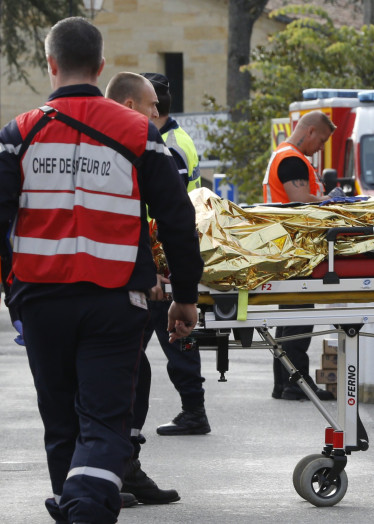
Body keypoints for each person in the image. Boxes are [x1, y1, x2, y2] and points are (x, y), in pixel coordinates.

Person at [0, 17, 203, 524]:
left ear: (50, 65)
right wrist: (185, 295)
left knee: (60, 417)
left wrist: (12, 293)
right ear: (101, 66)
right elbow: (178, 219)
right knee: (105, 419)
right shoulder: (139, 133)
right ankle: (86, 507)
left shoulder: (18, 134)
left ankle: (72, 504)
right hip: (115, 301)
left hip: (41, 300)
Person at [104, 71, 186, 506]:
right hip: (105, 285)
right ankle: (104, 479)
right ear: (132, 106)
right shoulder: (128, 143)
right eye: (153, 105)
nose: (160, 113)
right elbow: (134, 219)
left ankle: (121, 469)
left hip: (89, 284)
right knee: (116, 379)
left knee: (134, 373)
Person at [134, 72, 210, 437]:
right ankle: (193, 409)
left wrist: (165, 270)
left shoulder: (168, 145)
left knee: (173, 333)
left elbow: (171, 210)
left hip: (162, 258)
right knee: (174, 335)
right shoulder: (172, 139)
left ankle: (193, 410)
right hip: (165, 255)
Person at [263, 110, 336, 400]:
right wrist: (331, 201)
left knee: (292, 316)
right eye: (322, 140)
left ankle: (284, 383)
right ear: (309, 132)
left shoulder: (285, 155)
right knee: (299, 318)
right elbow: (301, 201)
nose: (322, 147)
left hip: (287, 246)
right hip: (296, 247)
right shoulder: (292, 159)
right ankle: (297, 382)